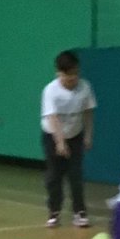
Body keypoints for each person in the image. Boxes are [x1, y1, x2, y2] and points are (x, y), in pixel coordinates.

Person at [41, 50, 96, 228]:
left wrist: (87, 135)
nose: (73, 78)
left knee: (76, 175)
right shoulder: (51, 90)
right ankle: (54, 212)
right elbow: (52, 117)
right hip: (52, 135)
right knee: (54, 176)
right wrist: (60, 142)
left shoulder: (85, 87)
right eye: (68, 74)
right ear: (59, 73)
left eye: (75, 73)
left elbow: (88, 112)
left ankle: (79, 212)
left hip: (76, 135)